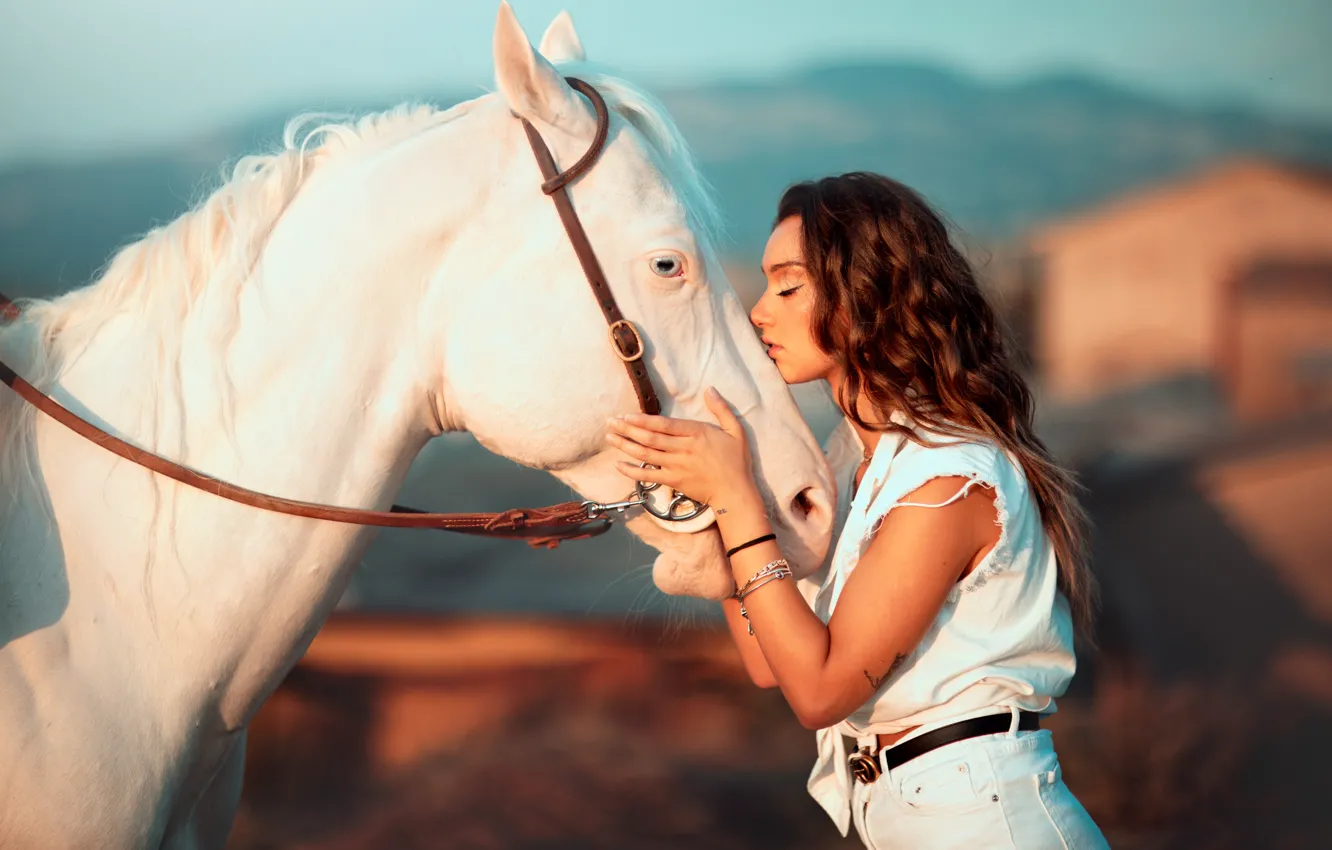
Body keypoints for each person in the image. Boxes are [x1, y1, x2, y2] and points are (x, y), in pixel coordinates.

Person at [605, 172, 1109, 849]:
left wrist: (738, 499)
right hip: (904, 817)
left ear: (868, 296)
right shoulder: (847, 463)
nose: (760, 312)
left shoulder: (950, 482)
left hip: (987, 820)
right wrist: (718, 502)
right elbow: (771, 663)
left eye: (789, 286)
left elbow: (820, 693)